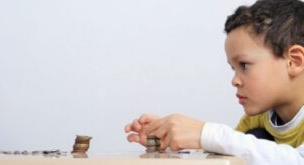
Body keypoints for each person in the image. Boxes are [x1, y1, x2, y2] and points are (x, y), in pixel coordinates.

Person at [124, 0, 304, 164]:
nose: (235, 81)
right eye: (233, 68)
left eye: (245, 65)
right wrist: (175, 138)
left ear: (294, 61)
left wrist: (206, 133)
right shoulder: (255, 121)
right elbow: (234, 151)